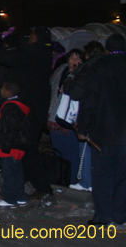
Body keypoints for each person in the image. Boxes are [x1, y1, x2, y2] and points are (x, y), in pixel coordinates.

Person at [0, 25, 54, 199]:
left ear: (37, 37)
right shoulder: (35, 52)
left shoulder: (37, 53)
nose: (29, 37)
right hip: (27, 107)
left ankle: (42, 188)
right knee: (22, 148)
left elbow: (11, 57)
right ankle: (21, 184)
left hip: (31, 109)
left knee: (27, 148)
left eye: (31, 34)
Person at [76, 34, 126, 227]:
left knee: (103, 175)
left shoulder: (99, 67)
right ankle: (120, 214)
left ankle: (103, 217)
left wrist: (82, 127)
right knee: (123, 176)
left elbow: (89, 101)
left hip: (103, 131)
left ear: (107, 49)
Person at [47, 48, 90, 191]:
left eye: (78, 59)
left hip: (70, 122)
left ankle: (71, 181)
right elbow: (51, 86)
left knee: (71, 154)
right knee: (58, 152)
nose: (75, 61)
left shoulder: (83, 74)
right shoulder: (61, 70)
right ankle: (61, 179)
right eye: (72, 58)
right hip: (54, 118)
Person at [0, 81, 31, 208]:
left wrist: (5, 145)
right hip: (16, 146)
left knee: (8, 173)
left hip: (10, 147)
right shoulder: (18, 106)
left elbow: (10, 128)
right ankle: (20, 196)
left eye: (3, 89)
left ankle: (10, 198)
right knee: (17, 172)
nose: (0, 90)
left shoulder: (11, 107)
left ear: (8, 92)